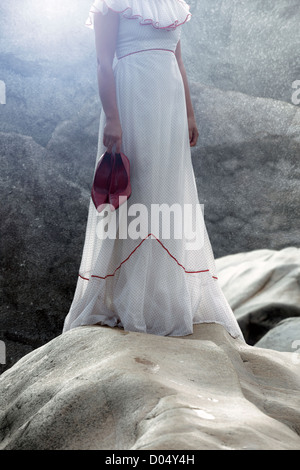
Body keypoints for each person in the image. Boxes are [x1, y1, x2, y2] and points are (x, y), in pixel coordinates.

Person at [63, 0, 244, 341]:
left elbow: (177, 59)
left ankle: (162, 299)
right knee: (138, 193)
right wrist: (113, 120)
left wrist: (189, 114)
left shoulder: (171, 4)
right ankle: (127, 301)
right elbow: (103, 62)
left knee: (168, 192)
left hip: (169, 103)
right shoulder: (111, 3)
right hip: (132, 99)